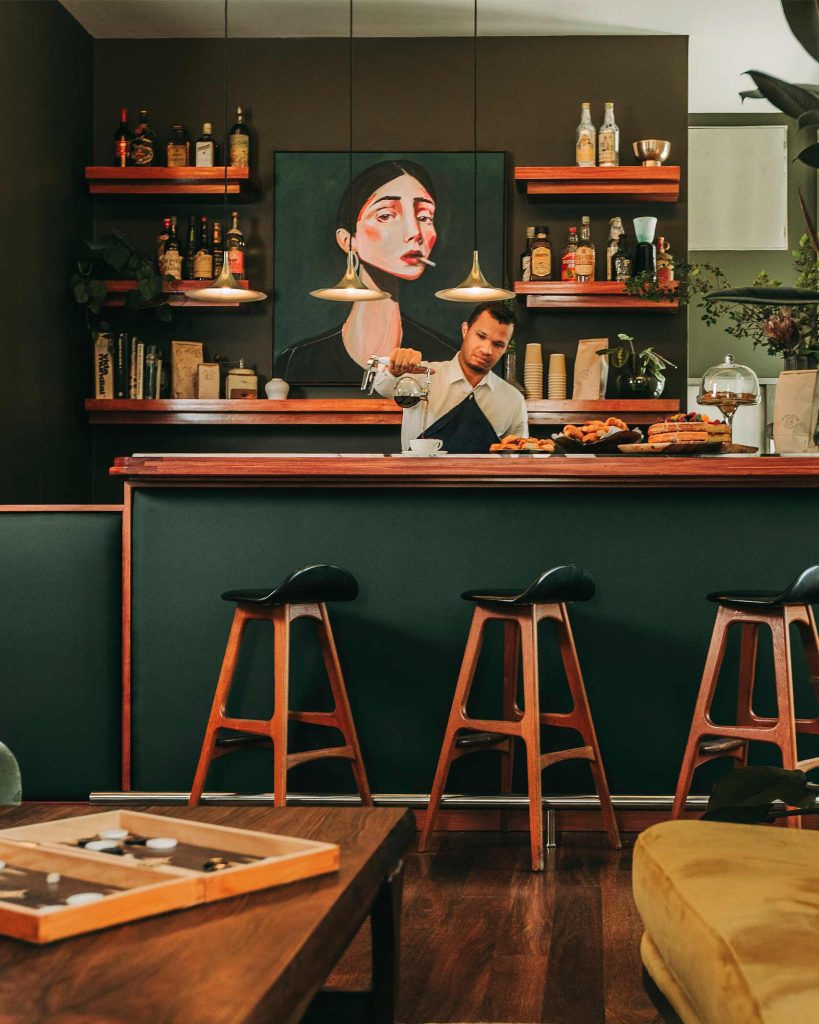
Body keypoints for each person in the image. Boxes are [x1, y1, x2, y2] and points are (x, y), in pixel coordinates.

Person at [274, 159, 459, 385]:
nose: (414, 232)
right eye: (386, 216)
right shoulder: (297, 361)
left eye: (424, 217)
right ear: (348, 240)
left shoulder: (446, 358)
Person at [373, 302, 528, 454]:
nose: (487, 350)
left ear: (505, 349)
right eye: (481, 336)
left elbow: (517, 458)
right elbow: (383, 387)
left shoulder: (512, 399)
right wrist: (394, 369)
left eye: (498, 344)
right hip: (419, 478)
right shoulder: (422, 375)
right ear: (465, 330)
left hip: (482, 479)